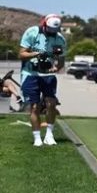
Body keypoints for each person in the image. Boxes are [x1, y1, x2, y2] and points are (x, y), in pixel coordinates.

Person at [19, 14, 67, 146]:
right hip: (30, 73)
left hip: (48, 75)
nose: (52, 33)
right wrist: (35, 54)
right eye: (50, 30)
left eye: (55, 31)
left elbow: (61, 60)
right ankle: (37, 138)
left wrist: (56, 68)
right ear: (44, 24)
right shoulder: (32, 32)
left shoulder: (60, 39)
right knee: (34, 107)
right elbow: (22, 53)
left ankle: (49, 135)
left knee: (51, 103)